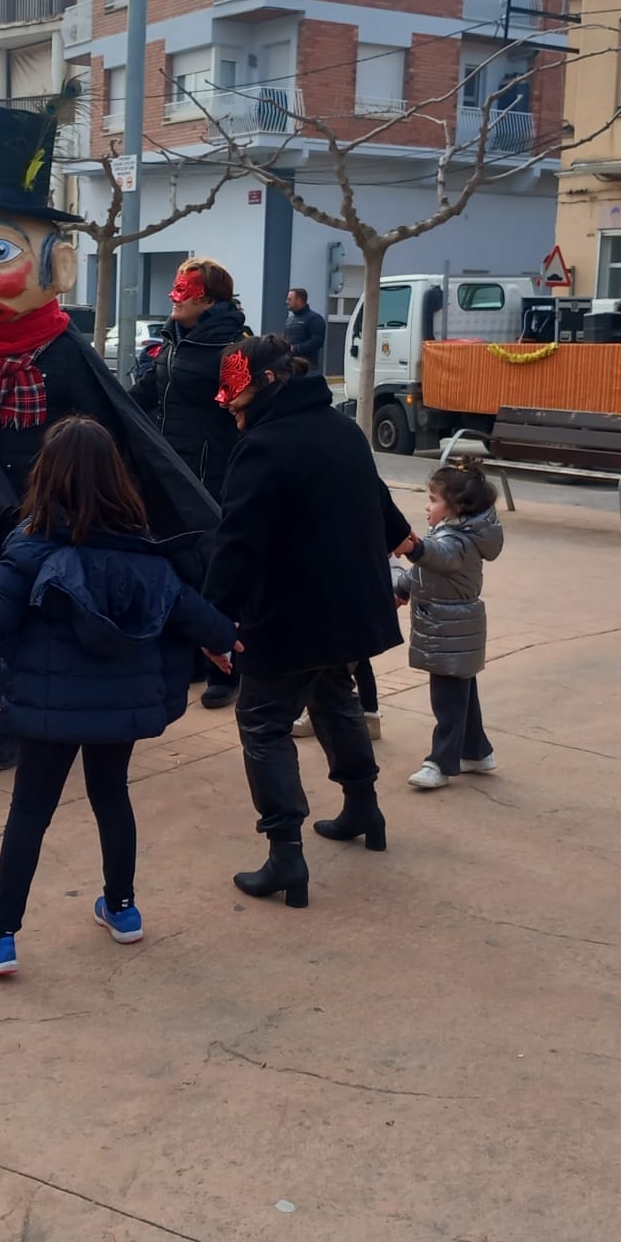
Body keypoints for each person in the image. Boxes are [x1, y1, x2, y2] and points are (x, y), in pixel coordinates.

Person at [0, 88, 218, 772]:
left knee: (26, 619)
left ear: (59, 268)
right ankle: (7, 714)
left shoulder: (60, 349)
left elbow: (112, 437)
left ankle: (15, 724)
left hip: (44, 517)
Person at [0, 417, 237, 975]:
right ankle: (122, 910)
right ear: (116, 477)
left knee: (30, 811)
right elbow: (191, 609)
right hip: (119, 709)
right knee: (112, 796)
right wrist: (226, 643)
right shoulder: (144, 551)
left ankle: (0, 938)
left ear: (47, 475)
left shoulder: (29, 549)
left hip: (47, 710)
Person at [205, 334, 413, 907]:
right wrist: (403, 538)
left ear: (268, 383)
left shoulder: (263, 447)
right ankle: (364, 809)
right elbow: (376, 497)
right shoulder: (342, 429)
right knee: (334, 697)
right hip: (347, 608)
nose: (231, 410)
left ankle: (286, 855)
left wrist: (213, 617)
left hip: (289, 614)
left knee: (262, 722)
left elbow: (236, 543)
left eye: (236, 399)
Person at [130, 257, 247, 709]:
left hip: (212, 477)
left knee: (215, 570)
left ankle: (228, 666)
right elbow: (146, 393)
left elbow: (246, 409)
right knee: (177, 565)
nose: (174, 299)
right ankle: (194, 655)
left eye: (185, 291)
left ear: (209, 300)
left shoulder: (233, 349)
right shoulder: (172, 341)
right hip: (169, 473)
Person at [393, 464, 505, 790]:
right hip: (451, 627)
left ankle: (440, 763)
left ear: (456, 508)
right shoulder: (454, 532)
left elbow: (439, 558)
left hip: (450, 629)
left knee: (447, 701)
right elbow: (428, 571)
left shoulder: (457, 541)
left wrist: (414, 549)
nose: (427, 506)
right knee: (462, 696)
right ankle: (477, 752)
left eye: (433, 500)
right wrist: (403, 589)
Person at [283, 287, 327, 372]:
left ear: (299, 300)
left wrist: (295, 349)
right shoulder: (289, 320)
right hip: (290, 367)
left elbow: (317, 341)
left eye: (290, 299)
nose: (287, 302)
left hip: (307, 368)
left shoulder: (314, 319)